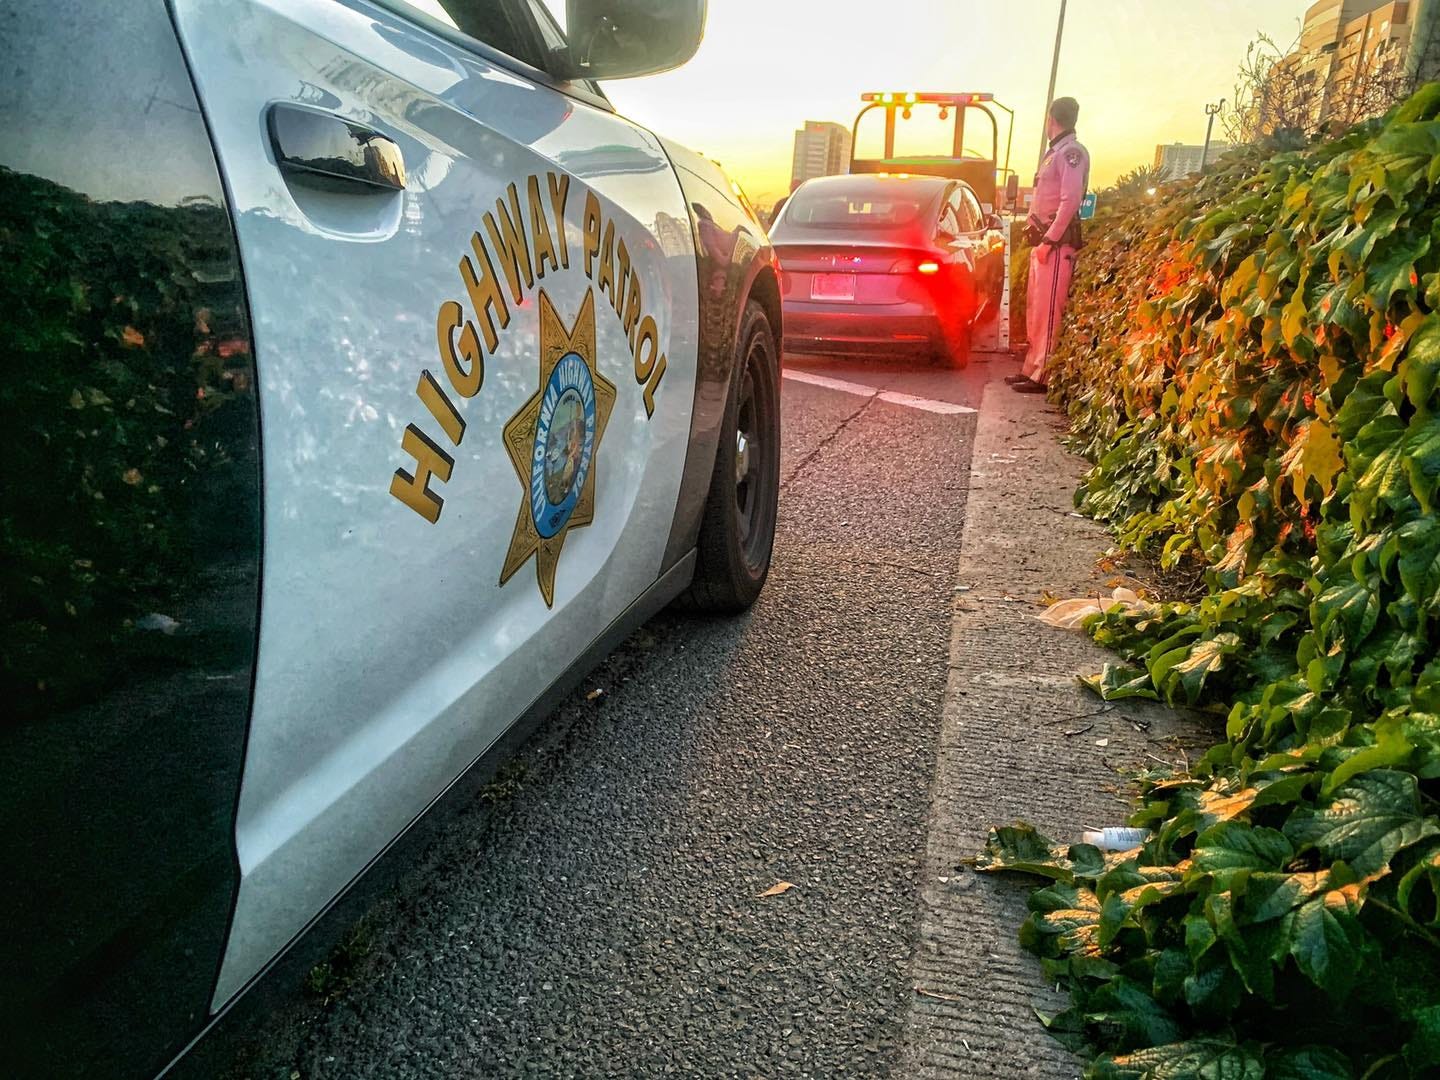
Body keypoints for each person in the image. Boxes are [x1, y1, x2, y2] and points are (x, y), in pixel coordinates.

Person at [1008, 96, 1090, 394]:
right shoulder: (1054, 154)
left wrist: (1048, 240)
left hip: (1055, 247)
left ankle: (1043, 375)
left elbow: (1069, 202)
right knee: (1036, 310)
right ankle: (1031, 367)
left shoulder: (1071, 153)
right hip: (1043, 244)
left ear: (1050, 120)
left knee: (1049, 313)